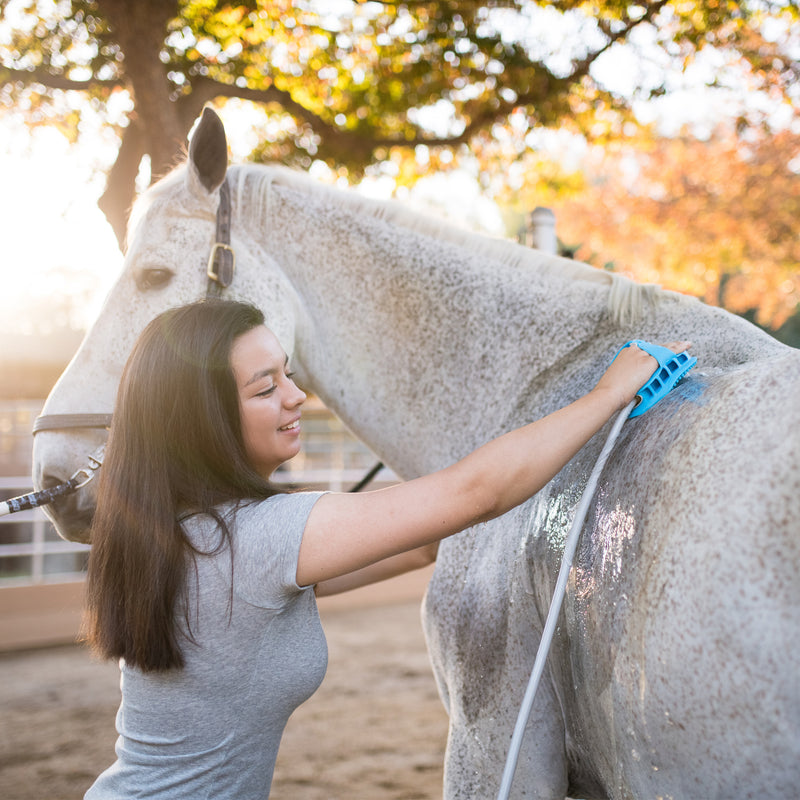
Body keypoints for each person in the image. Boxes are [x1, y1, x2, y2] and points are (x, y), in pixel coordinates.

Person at [83, 298, 688, 798]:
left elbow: (424, 542)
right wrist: (608, 395)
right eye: (265, 388)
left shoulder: (183, 534)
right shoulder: (257, 538)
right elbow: (476, 494)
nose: (295, 397)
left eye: (288, 374)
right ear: (201, 419)